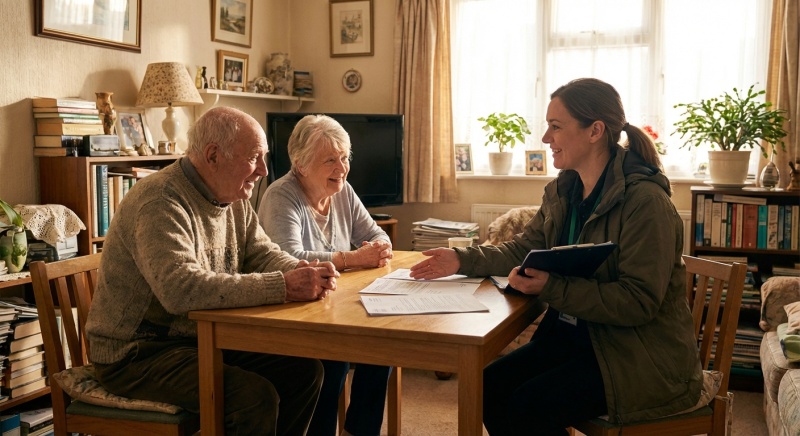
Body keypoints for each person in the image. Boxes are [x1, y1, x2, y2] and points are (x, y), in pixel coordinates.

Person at [410, 78, 703, 435]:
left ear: (595, 131)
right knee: (486, 387)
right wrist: (460, 260)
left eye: (556, 126)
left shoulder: (646, 204)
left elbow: (638, 302)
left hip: (636, 357)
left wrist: (551, 287)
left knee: (527, 407)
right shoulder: (564, 189)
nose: (546, 137)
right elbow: (524, 248)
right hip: (577, 338)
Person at [86, 106, 338, 435]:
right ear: (213, 155)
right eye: (254, 158)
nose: (264, 170)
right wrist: (284, 286)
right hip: (137, 354)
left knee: (305, 372)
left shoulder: (233, 197)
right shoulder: (160, 201)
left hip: (200, 339)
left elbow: (262, 253)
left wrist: (303, 271)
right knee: (253, 398)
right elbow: (181, 290)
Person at [257, 114, 394, 436]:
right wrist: (352, 258)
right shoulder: (281, 196)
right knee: (332, 360)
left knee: (383, 346)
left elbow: (377, 234)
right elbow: (289, 258)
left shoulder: (342, 191)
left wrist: (380, 248)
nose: (341, 168)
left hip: (335, 305)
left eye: (344, 158)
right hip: (293, 312)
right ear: (301, 164)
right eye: (330, 160)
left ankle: (359, 431)